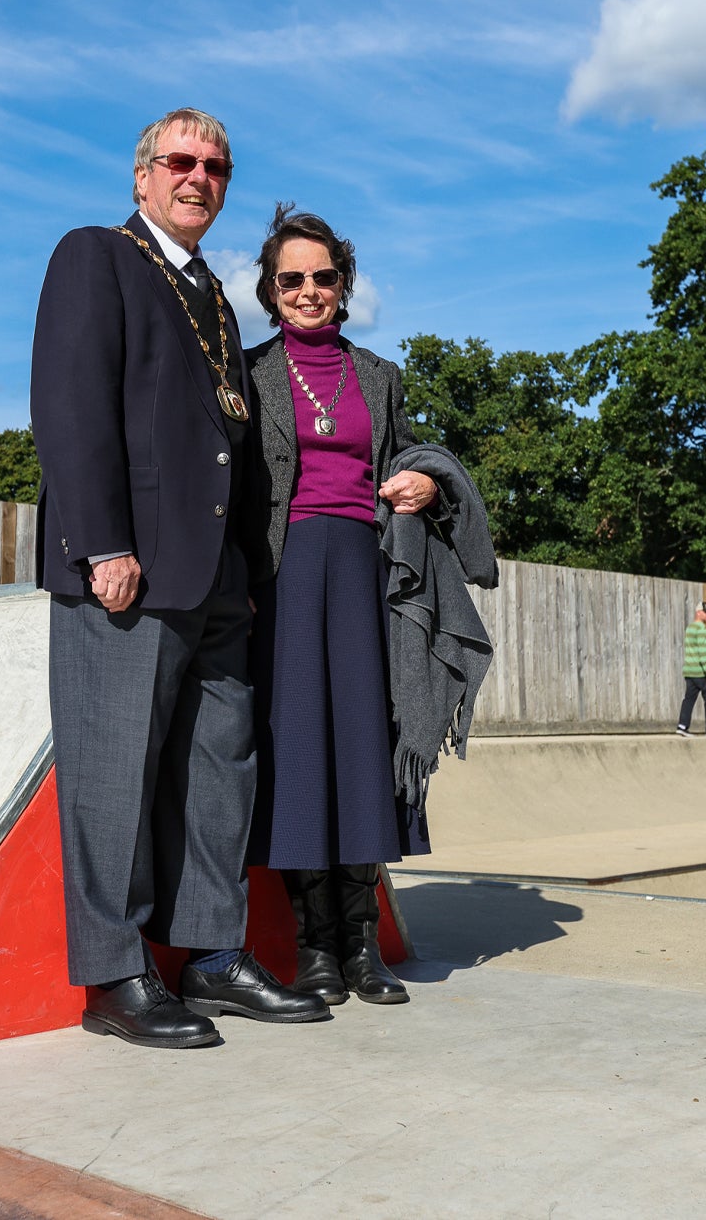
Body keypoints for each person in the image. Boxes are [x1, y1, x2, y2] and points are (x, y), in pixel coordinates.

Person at [31, 107, 327, 1049]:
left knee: (220, 771)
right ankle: (114, 977)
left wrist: (242, 569)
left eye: (217, 167)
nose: (199, 177)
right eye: (181, 161)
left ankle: (211, 951)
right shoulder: (98, 256)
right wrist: (100, 544)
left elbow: (224, 443)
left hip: (214, 581)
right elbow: (71, 403)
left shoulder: (211, 293)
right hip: (128, 570)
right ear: (143, 177)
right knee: (113, 776)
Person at [243, 204, 466, 1008]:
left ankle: (363, 944)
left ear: (344, 284)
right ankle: (314, 951)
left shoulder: (377, 374)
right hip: (286, 573)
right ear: (271, 290)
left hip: (367, 569)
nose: (309, 291)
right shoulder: (250, 371)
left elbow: (406, 453)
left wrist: (426, 480)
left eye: (323, 277)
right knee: (300, 751)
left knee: (366, 744)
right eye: (291, 279)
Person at [677, 602, 706, 737]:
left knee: (688, 699)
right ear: (698, 612)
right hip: (701, 673)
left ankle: (682, 726)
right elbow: (702, 653)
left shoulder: (690, 628)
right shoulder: (701, 630)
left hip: (689, 671)